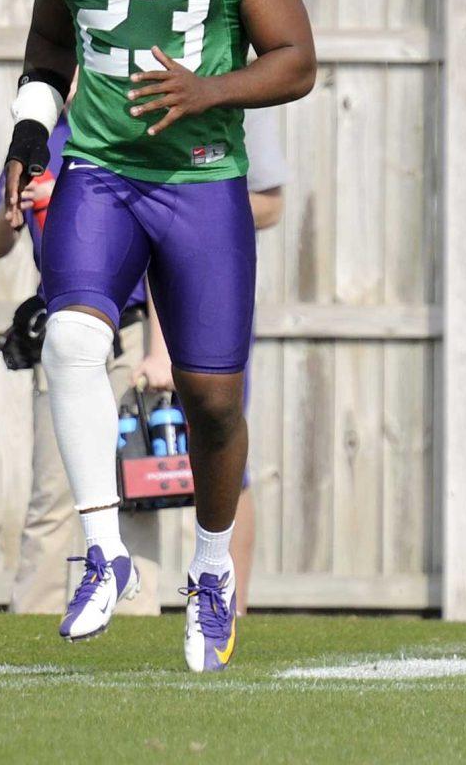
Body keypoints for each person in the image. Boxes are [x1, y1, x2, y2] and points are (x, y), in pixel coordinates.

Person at [2, 0, 316, 671]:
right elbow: (50, 47)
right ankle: (103, 555)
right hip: (100, 173)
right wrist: (29, 135)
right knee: (68, 343)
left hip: (200, 183)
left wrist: (209, 89)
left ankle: (209, 569)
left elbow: (295, 59)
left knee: (211, 401)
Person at [0, 112, 156, 616]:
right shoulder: (43, 142)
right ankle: (33, 615)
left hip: (128, 332)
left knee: (135, 488)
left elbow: (160, 245)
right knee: (53, 492)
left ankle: (138, 618)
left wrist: (160, 352)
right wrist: (10, 212)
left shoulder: (132, 129)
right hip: (61, 332)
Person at [133, 104, 287, 615]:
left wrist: (198, 204)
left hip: (211, 286)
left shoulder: (240, 86)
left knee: (222, 440)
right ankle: (127, 596)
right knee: (127, 460)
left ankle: (227, 604)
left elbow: (270, 205)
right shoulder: (118, 68)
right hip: (129, 301)